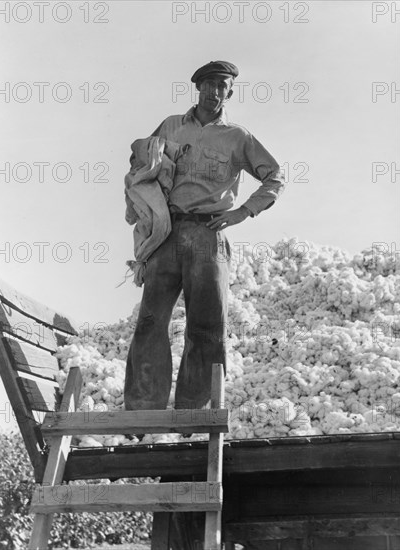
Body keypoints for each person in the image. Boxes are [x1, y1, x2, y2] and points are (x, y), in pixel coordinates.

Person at [124, 60, 285, 412]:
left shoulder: (237, 137)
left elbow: (275, 177)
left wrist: (243, 211)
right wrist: (145, 207)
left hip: (209, 236)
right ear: (197, 88)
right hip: (166, 234)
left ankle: (195, 415)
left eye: (221, 85)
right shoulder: (170, 126)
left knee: (207, 326)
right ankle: (141, 412)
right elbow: (141, 162)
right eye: (208, 85)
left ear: (230, 91)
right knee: (151, 321)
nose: (214, 92)